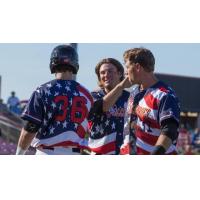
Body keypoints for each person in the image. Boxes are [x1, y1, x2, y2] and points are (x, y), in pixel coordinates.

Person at [16, 44, 93, 155]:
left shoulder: (42, 90)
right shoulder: (87, 94)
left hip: (47, 152)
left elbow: (31, 127)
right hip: (74, 153)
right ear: (75, 63)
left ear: (53, 62)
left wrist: (18, 154)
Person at [114, 47, 180, 155]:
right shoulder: (134, 92)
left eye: (127, 67)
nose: (125, 72)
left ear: (137, 67)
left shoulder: (164, 95)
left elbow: (169, 130)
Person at [87, 58, 130, 155]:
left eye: (110, 71)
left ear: (119, 74)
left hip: (124, 152)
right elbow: (102, 107)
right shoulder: (93, 96)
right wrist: (120, 87)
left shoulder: (131, 98)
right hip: (100, 153)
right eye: (102, 73)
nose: (106, 75)